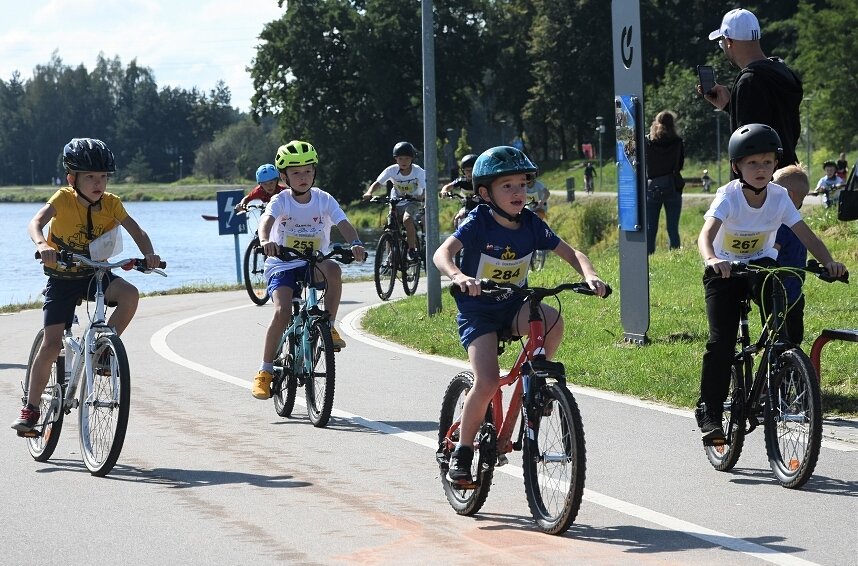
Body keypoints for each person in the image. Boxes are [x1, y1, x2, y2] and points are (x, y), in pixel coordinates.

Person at [432, 146, 607, 485]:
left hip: (513, 306)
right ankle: (462, 453)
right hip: (478, 312)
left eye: (522, 185)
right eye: (507, 186)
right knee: (485, 380)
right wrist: (459, 277)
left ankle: (535, 384)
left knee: (552, 318)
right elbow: (443, 254)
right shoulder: (478, 222)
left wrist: (590, 274)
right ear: (485, 193)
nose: (518, 193)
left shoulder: (531, 224)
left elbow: (572, 253)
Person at [695, 124, 845, 443]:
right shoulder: (729, 196)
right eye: (752, 163)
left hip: (763, 266)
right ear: (737, 166)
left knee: (782, 331)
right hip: (725, 271)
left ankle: (776, 380)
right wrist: (712, 259)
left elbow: (807, 235)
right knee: (721, 342)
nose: (761, 169)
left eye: (766, 162)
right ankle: (709, 410)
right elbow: (705, 235)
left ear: (775, 165)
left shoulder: (778, 197)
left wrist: (829, 261)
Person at [12, 138, 161, 433]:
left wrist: (149, 255)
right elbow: (35, 223)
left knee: (130, 294)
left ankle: (103, 351)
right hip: (63, 278)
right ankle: (30, 408)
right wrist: (43, 245)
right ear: (72, 179)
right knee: (52, 344)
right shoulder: (62, 199)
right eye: (90, 177)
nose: (98, 183)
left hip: (95, 274)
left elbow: (136, 230)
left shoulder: (112, 203)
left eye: (103, 177)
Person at [251, 140, 366, 399]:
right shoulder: (281, 200)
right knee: (281, 312)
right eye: (295, 172)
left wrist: (356, 243)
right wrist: (266, 241)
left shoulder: (324, 199)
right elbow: (266, 222)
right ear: (284, 176)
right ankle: (265, 371)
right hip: (282, 263)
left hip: (313, 261)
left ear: (314, 172)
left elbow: (344, 223)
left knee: (333, 270)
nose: (303, 177)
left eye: (307, 171)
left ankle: (330, 325)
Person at [701, 8, 803, 170]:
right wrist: (730, 106)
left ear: (729, 41)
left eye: (721, 43)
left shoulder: (749, 81)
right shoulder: (782, 71)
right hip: (786, 174)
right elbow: (774, 122)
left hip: (762, 186)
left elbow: (750, 144)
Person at [362, 141, 426, 261]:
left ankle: (411, 249)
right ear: (396, 159)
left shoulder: (418, 171)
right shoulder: (391, 170)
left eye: (407, 158)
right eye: (400, 158)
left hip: (413, 201)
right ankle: (390, 257)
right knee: (390, 226)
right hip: (395, 201)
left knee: (407, 219)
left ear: (412, 159)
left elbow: (426, 188)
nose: (404, 162)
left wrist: (421, 197)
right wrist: (369, 192)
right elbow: (378, 183)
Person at [773, 164, 810, 344]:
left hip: (776, 293)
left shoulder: (781, 224)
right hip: (796, 294)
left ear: (788, 196)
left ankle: (780, 368)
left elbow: (772, 253)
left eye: (773, 188)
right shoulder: (800, 224)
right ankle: (793, 370)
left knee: (779, 340)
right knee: (794, 340)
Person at [645, 110, 685, 254]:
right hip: (672, 187)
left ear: (656, 123)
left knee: (650, 227)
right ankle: (674, 254)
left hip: (652, 188)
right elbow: (680, 165)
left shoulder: (647, 141)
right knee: (673, 227)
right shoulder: (678, 142)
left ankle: (648, 255)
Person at [440, 153, 480, 229]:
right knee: (458, 218)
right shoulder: (462, 180)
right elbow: (448, 186)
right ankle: (460, 239)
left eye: (472, 170)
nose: (469, 173)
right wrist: (444, 191)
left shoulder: (482, 181)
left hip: (482, 206)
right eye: (467, 170)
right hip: (467, 206)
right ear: (463, 171)